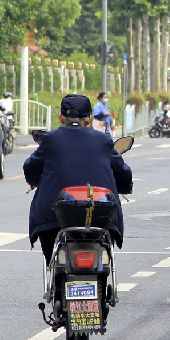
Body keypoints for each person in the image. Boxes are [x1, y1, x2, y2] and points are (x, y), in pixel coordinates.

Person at [24, 94, 133, 261]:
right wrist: (126, 186)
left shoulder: (49, 139)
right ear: (89, 119)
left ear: (61, 118)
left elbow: (30, 167)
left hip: (54, 218)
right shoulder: (103, 139)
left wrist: (34, 181)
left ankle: (53, 276)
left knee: (51, 257)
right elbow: (123, 171)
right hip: (100, 216)